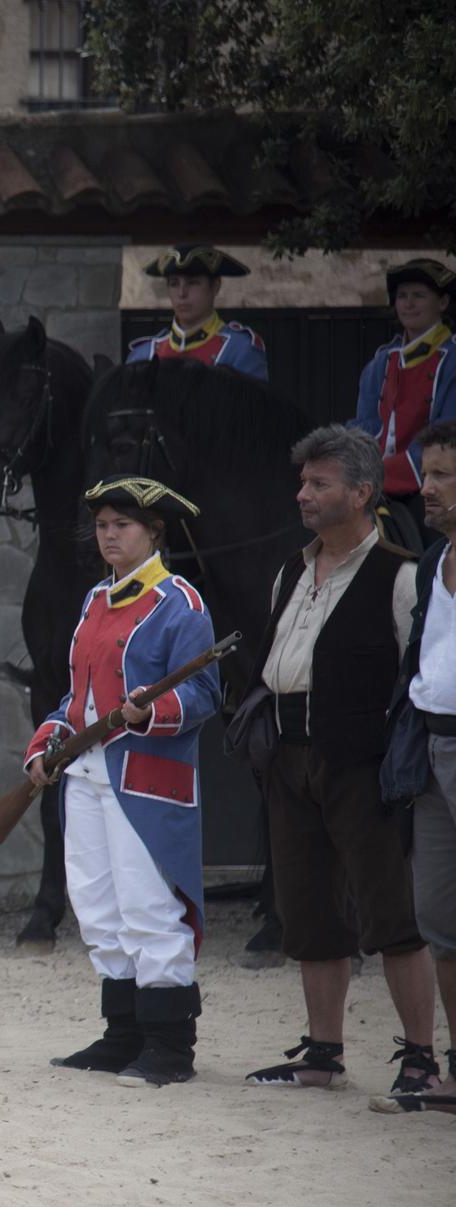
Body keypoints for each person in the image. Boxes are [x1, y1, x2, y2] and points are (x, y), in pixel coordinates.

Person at [244, 426, 440, 1098]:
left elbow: (417, 673)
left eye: (319, 483)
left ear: (360, 492)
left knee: (393, 913)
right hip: (289, 758)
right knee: (307, 912)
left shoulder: (401, 575)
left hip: (361, 764)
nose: (303, 493)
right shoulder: (289, 570)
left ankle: (420, 1055)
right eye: (303, 481)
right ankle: (323, 1053)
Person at [24, 478, 221, 1087]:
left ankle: (169, 1045)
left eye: (124, 525)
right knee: (97, 905)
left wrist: (150, 711)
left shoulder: (179, 603)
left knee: (148, 905)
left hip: (145, 778)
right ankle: (124, 1033)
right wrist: (46, 741)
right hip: (84, 773)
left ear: (154, 532)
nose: (110, 535)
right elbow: (77, 697)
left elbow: (205, 693)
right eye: (104, 525)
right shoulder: (93, 601)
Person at [373, 419, 456, 1116]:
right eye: (424, 473)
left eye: (441, 476)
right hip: (431, 746)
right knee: (440, 918)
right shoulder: (432, 561)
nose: (424, 488)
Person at [349, 257, 456, 538]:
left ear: (442, 303)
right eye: (402, 296)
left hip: (433, 482)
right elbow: (365, 427)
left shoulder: (453, 360)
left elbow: (448, 437)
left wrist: (381, 475)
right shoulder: (380, 363)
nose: (408, 304)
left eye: (419, 296)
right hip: (376, 480)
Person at [126, 243, 267, 381]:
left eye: (193, 282)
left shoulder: (240, 350)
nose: (182, 293)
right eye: (174, 284)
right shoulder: (143, 355)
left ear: (216, 286)